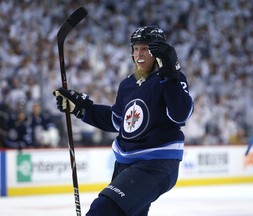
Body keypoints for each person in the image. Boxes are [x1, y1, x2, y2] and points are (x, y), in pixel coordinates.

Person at [53, 25, 193, 216]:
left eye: (145, 48)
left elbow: (181, 114)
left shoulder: (169, 80)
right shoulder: (128, 84)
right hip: (125, 165)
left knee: (102, 210)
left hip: (155, 164)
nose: (139, 54)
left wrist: (171, 75)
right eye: (136, 49)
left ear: (158, 51)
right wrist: (82, 108)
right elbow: (116, 120)